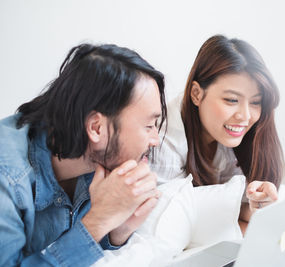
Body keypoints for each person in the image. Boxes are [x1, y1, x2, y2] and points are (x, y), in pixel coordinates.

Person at [0, 43, 167, 266]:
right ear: (96, 128)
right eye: (148, 126)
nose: (155, 140)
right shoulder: (7, 178)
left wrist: (118, 230)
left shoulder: (97, 160)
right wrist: (98, 221)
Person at [151, 34, 285, 232]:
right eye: (231, 100)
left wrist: (270, 208)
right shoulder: (164, 140)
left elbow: (236, 203)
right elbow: (170, 220)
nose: (245, 116)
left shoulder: (230, 131)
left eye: (256, 102)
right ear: (197, 94)